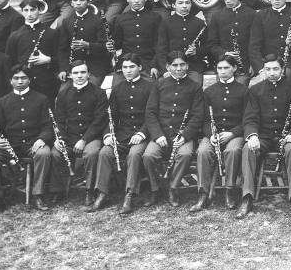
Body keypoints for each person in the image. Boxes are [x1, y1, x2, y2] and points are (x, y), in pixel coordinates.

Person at [237, 55, 291, 221]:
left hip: (285, 136)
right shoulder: (255, 90)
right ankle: (247, 197)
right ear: (263, 70)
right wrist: (252, 136)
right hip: (264, 136)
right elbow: (250, 118)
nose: (272, 72)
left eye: (275, 69)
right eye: (268, 69)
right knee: (248, 149)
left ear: (282, 69)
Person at [0, 65, 54, 212]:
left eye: (23, 78)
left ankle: (37, 194)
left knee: (44, 153)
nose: (20, 81)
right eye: (16, 78)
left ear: (30, 80)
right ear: (10, 81)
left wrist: (42, 139)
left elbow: (48, 125)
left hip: (33, 143)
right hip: (10, 145)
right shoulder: (3, 101)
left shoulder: (41, 99)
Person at [142, 51, 204, 207]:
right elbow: (150, 112)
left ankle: (173, 188)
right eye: (174, 65)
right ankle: (155, 189)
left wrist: (184, 136)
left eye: (182, 64)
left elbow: (198, 116)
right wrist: (157, 135)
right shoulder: (159, 84)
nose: (178, 68)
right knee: (148, 155)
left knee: (184, 154)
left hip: (183, 136)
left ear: (187, 66)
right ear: (167, 67)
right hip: (161, 134)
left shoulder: (195, 87)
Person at [96, 53, 153, 215]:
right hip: (121, 135)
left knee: (134, 154)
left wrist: (142, 133)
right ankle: (102, 193)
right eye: (125, 67)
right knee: (105, 152)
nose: (128, 70)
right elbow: (111, 116)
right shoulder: (118, 88)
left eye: (132, 67)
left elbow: (152, 115)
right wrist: (109, 135)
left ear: (140, 68)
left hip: (142, 135)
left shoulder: (150, 87)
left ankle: (129, 195)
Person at [190, 56, 247, 212]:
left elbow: (248, 119)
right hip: (213, 134)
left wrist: (232, 133)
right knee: (203, 151)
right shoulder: (209, 91)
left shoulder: (244, 91)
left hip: (234, 134)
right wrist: (211, 135)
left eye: (226, 68)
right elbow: (205, 120)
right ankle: (203, 194)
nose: (222, 71)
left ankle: (230, 190)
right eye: (220, 68)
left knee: (233, 150)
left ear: (234, 69)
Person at [50, 61, 108, 209]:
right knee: (56, 153)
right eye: (75, 73)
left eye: (83, 72)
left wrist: (84, 140)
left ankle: (89, 190)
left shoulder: (99, 93)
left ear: (89, 74)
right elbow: (60, 120)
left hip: (91, 137)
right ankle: (59, 190)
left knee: (91, 153)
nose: (79, 76)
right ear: (70, 75)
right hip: (69, 137)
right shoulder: (63, 94)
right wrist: (60, 138)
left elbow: (99, 120)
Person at [5, 0, 59, 99]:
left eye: (33, 10)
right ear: (22, 12)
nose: (29, 14)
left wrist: (49, 60)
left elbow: (61, 58)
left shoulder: (51, 33)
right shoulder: (15, 36)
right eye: (26, 10)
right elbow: (9, 63)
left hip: (47, 85)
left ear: (39, 10)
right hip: (24, 85)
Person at [57, 0, 111, 88]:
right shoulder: (66, 21)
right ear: (71, 3)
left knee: (90, 91)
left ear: (88, 2)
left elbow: (105, 47)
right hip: (73, 68)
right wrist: (63, 69)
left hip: (95, 67)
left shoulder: (98, 20)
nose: (78, 3)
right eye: (75, 0)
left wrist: (88, 45)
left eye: (82, 0)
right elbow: (62, 49)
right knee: (63, 93)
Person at [206, 0, 257, 85]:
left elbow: (255, 43)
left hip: (244, 64)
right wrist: (224, 53)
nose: (227, 0)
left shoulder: (252, 14)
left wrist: (253, 63)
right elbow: (212, 45)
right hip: (223, 65)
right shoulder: (217, 16)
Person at [110, 0, 162, 82]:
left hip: (148, 64)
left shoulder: (155, 17)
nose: (136, 0)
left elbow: (159, 45)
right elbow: (117, 44)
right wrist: (110, 44)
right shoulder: (120, 19)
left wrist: (155, 66)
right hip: (127, 64)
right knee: (118, 89)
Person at [155, 0, 208, 83]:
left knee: (194, 88)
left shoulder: (199, 23)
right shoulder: (166, 23)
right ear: (173, 5)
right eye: (180, 3)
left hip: (193, 67)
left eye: (187, 3)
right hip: (172, 66)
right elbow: (161, 49)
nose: (184, 6)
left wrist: (196, 52)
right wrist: (165, 70)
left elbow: (207, 46)